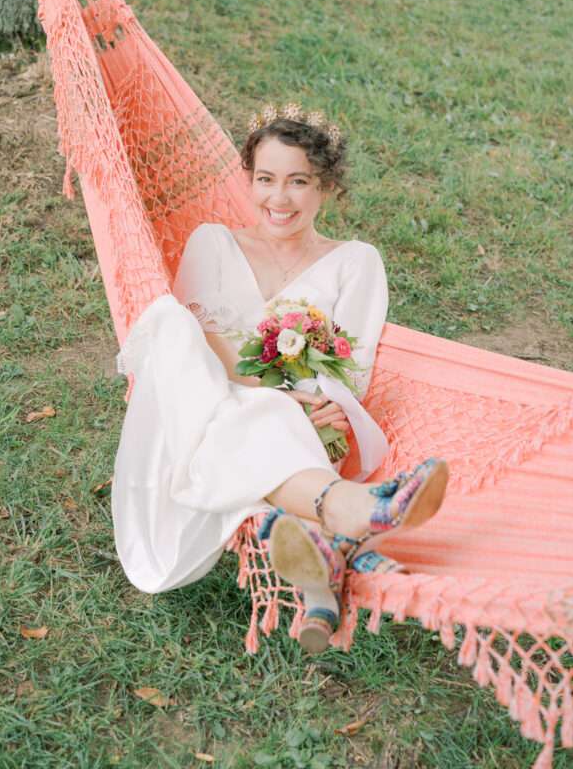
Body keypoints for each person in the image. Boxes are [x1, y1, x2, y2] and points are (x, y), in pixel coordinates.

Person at [112, 102, 448, 652]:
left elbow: (350, 370)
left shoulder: (355, 261)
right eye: (266, 179)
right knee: (169, 324)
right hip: (201, 419)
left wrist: (308, 404)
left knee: (270, 414)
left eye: (298, 182)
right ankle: (355, 516)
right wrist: (280, 392)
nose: (279, 198)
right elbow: (197, 356)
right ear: (249, 180)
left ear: (326, 188)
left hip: (308, 427)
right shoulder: (213, 243)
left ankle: (324, 549)